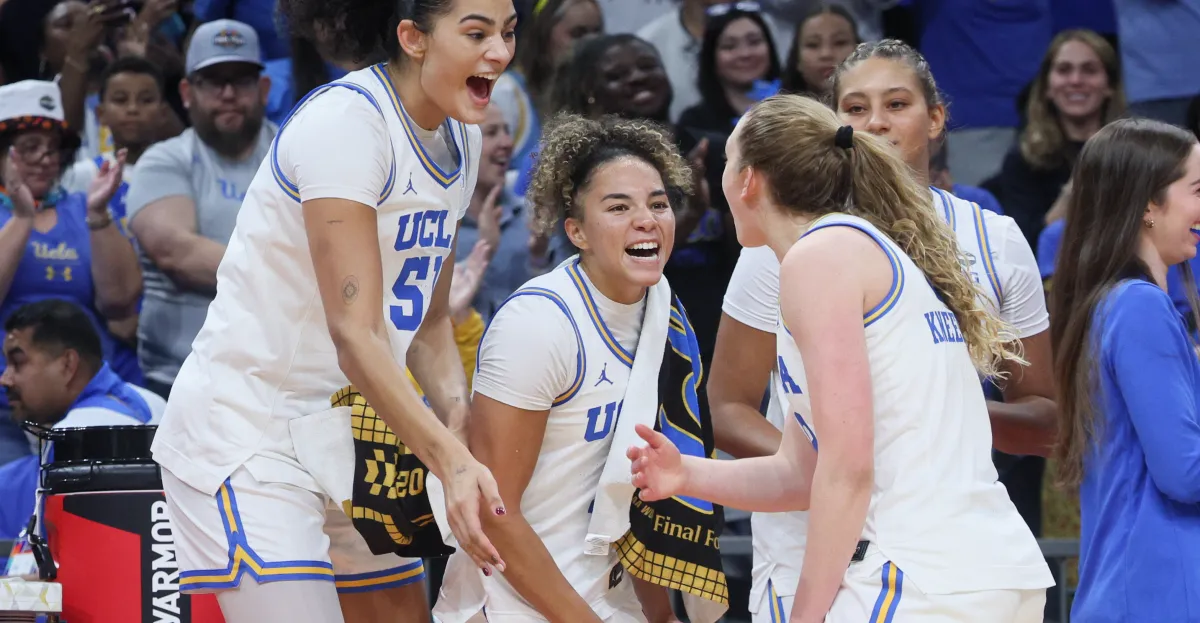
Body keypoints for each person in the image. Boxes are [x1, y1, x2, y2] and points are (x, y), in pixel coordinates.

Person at [147, 0, 518, 618]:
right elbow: (355, 335)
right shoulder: (347, 123)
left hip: (354, 430)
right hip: (251, 430)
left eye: (508, 33)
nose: (501, 52)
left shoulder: (462, 138)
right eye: (477, 33)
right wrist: (449, 460)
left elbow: (427, 326)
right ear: (413, 38)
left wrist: (457, 420)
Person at [629, 93, 1053, 622]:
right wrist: (686, 475)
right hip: (982, 574)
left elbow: (848, 471)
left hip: (918, 580)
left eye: (726, 163)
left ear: (749, 180)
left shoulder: (821, 258)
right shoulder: (849, 251)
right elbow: (802, 474)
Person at [434, 113, 693, 623]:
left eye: (658, 204)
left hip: (610, 596)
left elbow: (632, 490)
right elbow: (494, 508)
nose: (647, 219)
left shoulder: (662, 306)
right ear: (576, 231)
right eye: (619, 206)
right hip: (515, 601)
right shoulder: (539, 325)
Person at [1049, 118, 1200, 623]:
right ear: (1147, 206)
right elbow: (1186, 472)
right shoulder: (1140, 309)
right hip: (1158, 595)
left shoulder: (1116, 305)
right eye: (1196, 190)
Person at [126, 19, 277, 400]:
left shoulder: (293, 155)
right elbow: (177, 253)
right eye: (213, 81)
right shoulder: (164, 160)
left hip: (278, 379)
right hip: (181, 379)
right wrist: (297, 280)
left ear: (263, 89)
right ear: (187, 92)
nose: (228, 94)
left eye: (241, 80)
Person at [0, 299, 166, 539]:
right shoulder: (153, 401)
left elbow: (41, 564)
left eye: (18, 363)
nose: (6, 379)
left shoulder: (72, 436)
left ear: (68, 364)